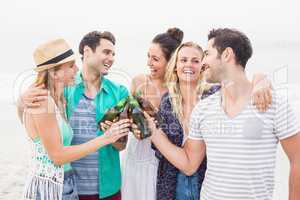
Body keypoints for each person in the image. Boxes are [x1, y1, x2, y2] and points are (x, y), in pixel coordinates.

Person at [145, 28, 300, 200]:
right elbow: (189, 164)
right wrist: (152, 130)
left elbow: (297, 157)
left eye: (207, 54)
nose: (203, 62)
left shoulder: (273, 103)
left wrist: (261, 78)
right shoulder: (203, 109)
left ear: (226, 54)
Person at [19, 31, 129, 200]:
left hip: (107, 188)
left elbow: (121, 146)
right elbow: (36, 118)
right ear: (86, 52)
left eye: (113, 54)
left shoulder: (120, 93)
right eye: (106, 52)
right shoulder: (63, 91)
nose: (111, 58)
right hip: (70, 186)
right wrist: (22, 100)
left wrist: (114, 136)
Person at [120, 27, 184, 200]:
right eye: (148, 56)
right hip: (135, 154)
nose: (149, 63)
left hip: (161, 160)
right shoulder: (139, 82)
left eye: (155, 59)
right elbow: (126, 116)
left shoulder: (178, 90)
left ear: (171, 62)